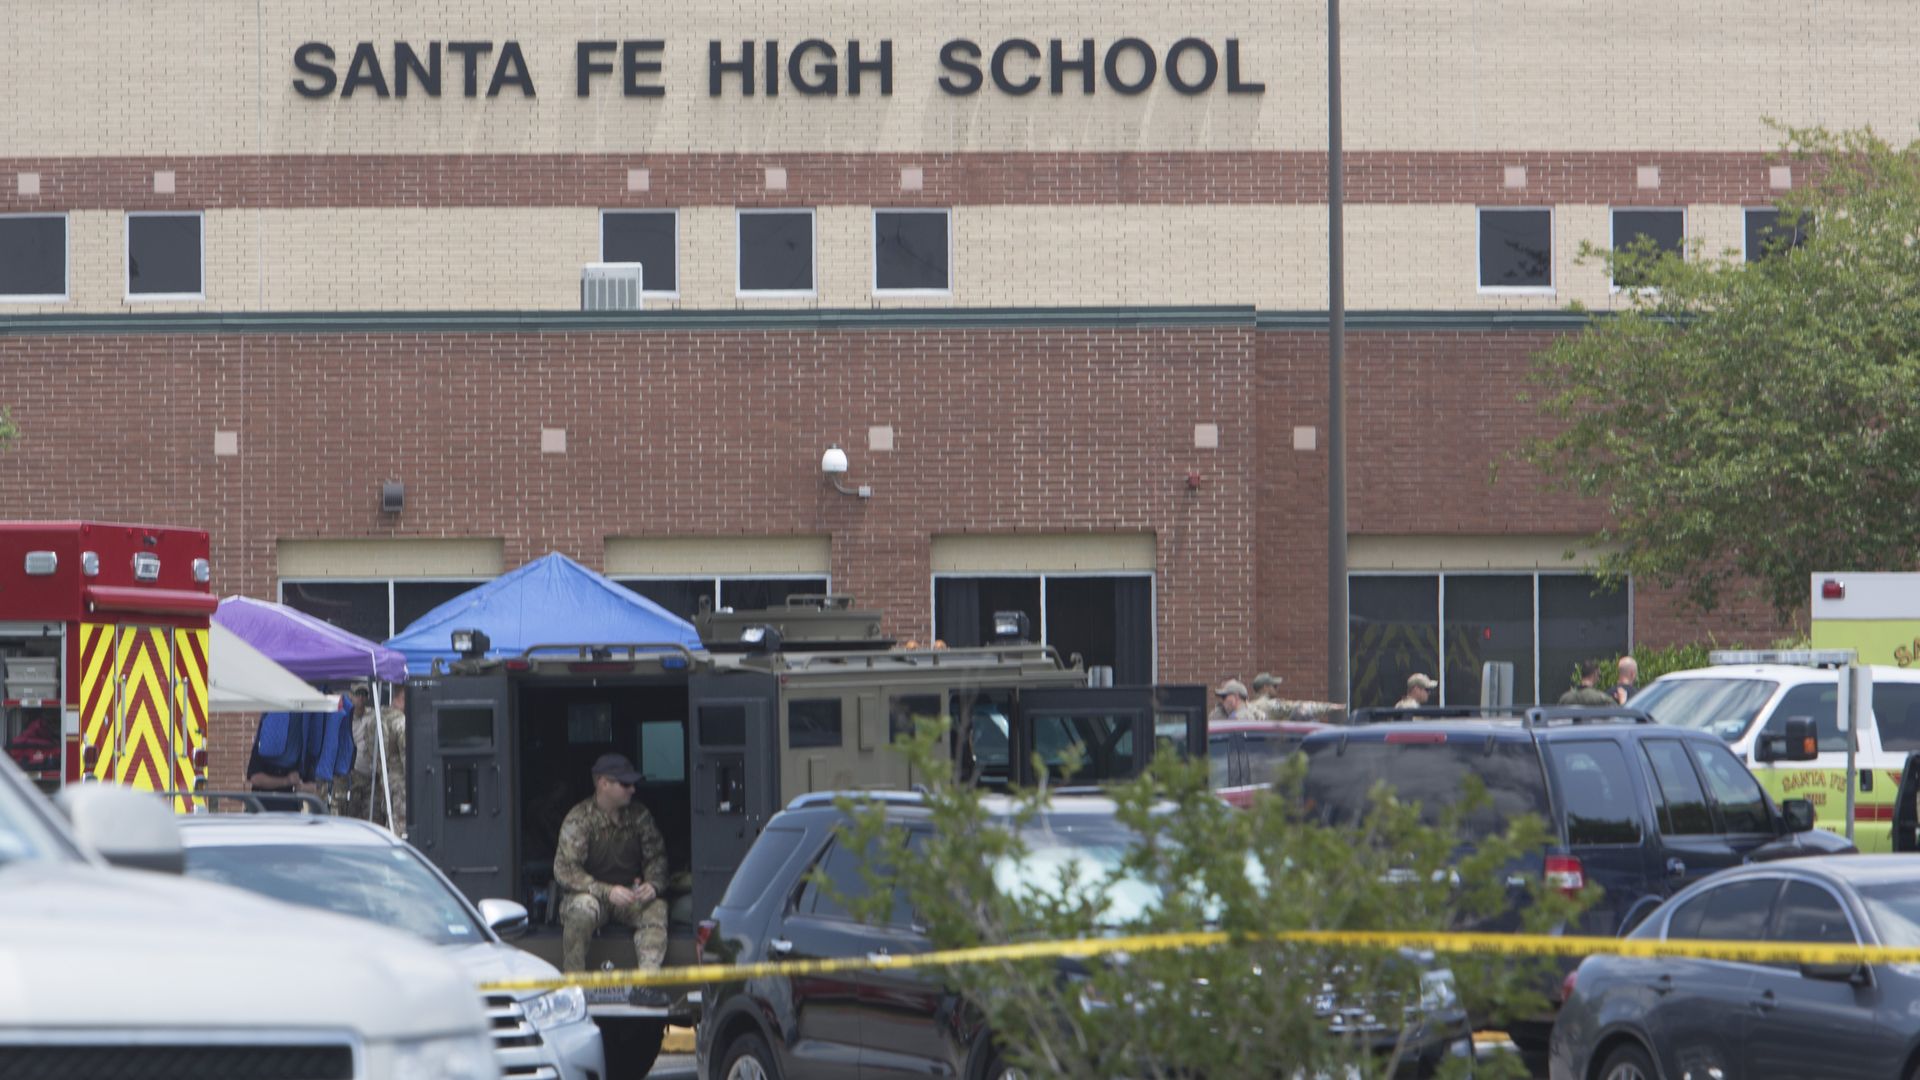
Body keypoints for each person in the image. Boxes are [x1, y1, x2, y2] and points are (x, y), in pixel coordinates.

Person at [554, 753, 670, 1006]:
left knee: (656, 910)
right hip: (591, 895)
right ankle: (575, 988)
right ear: (603, 783)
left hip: (629, 896)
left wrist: (653, 884)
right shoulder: (579, 819)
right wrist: (606, 891)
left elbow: (657, 857)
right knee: (581, 910)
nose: (632, 789)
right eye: (625, 784)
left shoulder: (639, 816)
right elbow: (566, 871)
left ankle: (646, 986)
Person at [336, 684, 408, 837]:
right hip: (399, 784)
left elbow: (371, 753)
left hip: (384, 781)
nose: (361, 698)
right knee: (397, 828)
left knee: (384, 823)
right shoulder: (400, 722)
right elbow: (407, 760)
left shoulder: (376, 720)